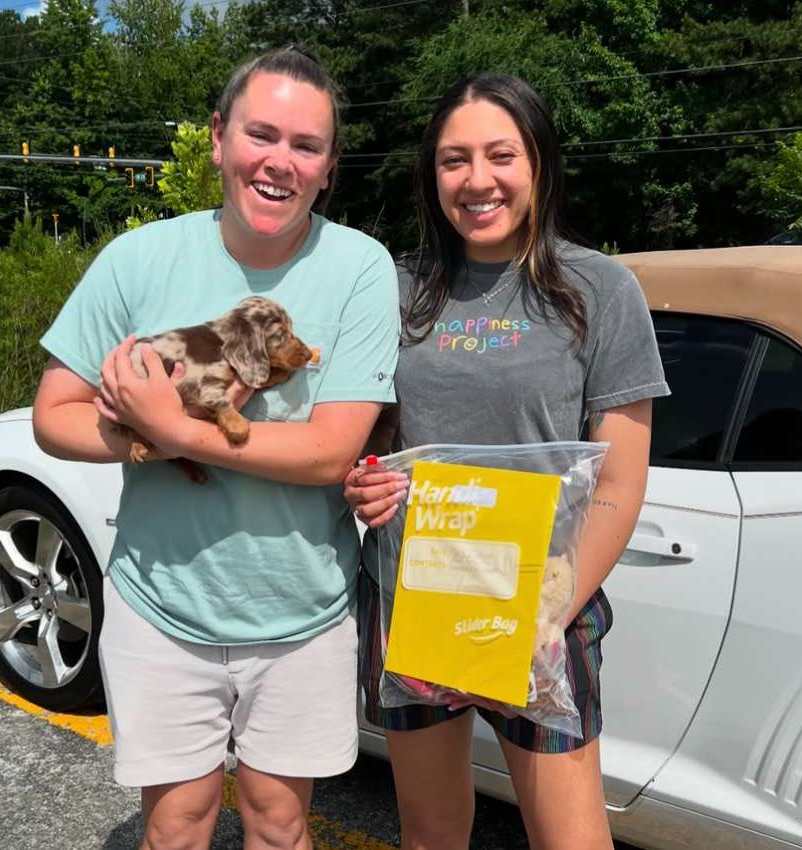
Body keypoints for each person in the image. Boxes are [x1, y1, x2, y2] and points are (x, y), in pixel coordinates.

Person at [32, 46, 400, 850]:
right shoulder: (137, 259)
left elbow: (330, 453)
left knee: (279, 824)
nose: (280, 162)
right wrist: (148, 438)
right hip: (159, 606)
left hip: (303, 613)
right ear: (217, 138)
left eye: (306, 146)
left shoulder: (361, 268)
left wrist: (171, 428)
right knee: (176, 828)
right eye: (260, 135)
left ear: (330, 166)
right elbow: (52, 416)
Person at [343, 74, 670, 850]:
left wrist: (544, 613)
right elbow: (372, 440)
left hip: (546, 610)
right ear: (432, 174)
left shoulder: (600, 289)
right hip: (414, 601)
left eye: (501, 155)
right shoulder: (395, 288)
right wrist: (362, 482)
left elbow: (620, 484)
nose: (477, 180)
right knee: (430, 836)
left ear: (540, 164)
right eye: (454, 159)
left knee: (571, 840)